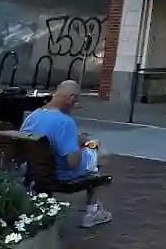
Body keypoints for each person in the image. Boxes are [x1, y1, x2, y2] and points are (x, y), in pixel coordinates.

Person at [20, 80, 112, 228]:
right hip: (60, 174)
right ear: (70, 99)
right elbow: (72, 162)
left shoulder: (32, 117)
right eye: (76, 102)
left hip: (35, 171)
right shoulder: (65, 122)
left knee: (91, 146)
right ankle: (93, 211)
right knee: (102, 152)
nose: (75, 106)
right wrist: (80, 143)